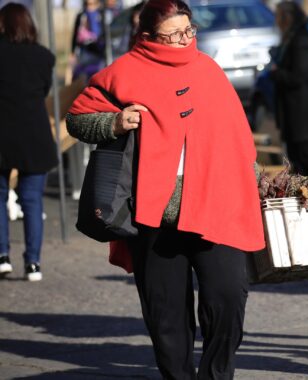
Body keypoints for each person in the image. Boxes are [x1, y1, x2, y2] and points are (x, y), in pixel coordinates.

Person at [66, 0, 265, 378]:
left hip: (215, 206)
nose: (184, 40)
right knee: (166, 318)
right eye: (173, 34)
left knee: (228, 298)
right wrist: (115, 122)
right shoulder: (123, 72)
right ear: (146, 38)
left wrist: (253, 179)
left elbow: (236, 136)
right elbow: (77, 118)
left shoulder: (208, 69)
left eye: (188, 31)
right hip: (153, 215)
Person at [0, 3, 57, 282]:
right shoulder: (43, 57)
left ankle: (2, 256)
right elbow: (45, 90)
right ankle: (33, 263)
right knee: (32, 201)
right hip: (34, 136)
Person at [271, 1, 308, 175]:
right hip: (296, 117)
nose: (276, 21)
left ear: (287, 18)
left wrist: (276, 73)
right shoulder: (291, 38)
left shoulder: (301, 40)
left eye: (278, 17)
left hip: (305, 118)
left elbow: (298, 76)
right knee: (298, 160)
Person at [70, 0, 106, 80]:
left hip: (98, 53)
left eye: (92, 4)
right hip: (84, 52)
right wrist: (72, 52)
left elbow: (104, 34)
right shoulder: (81, 16)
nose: (89, 7)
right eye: (87, 4)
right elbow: (75, 34)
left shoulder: (101, 15)